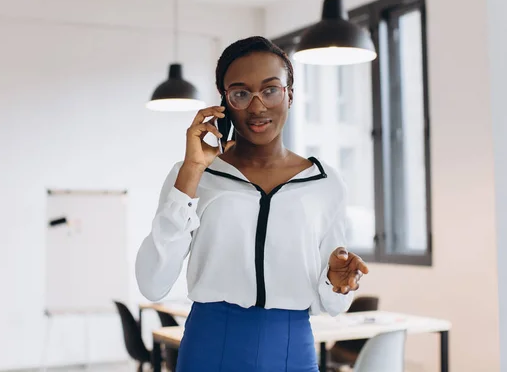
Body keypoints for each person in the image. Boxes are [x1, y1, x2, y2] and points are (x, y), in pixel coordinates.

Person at [135, 36, 369, 372]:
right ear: (224, 103)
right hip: (211, 346)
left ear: (290, 94)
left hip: (292, 349)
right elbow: (152, 283)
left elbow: (332, 304)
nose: (257, 107)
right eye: (241, 94)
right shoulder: (194, 174)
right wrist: (191, 173)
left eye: (271, 89)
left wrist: (336, 279)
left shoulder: (324, 182)